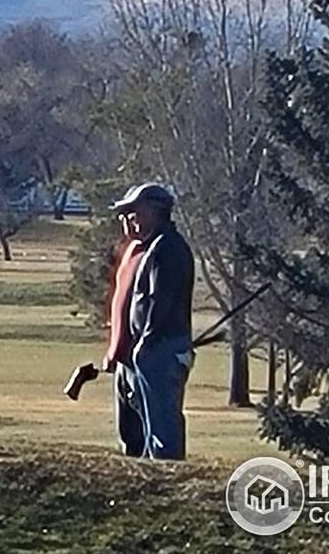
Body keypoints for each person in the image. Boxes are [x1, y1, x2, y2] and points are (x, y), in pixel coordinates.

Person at [101, 182, 194, 460]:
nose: (129, 220)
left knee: (161, 433)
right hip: (134, 355)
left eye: (134, 212)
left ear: (155, 212)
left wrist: (146, 343)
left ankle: (166, 488)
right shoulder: (141, 249)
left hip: (158, 351)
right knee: (134, 435)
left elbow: (159, 302)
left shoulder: (167, 249)